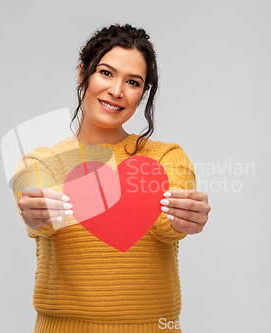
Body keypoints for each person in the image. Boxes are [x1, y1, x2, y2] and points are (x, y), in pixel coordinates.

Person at [13, 23, 211, 333]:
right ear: (82, 74)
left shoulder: (166, 157)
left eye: (132, 82)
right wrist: (36, 213)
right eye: (106, 73)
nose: (117, 91)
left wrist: (182, 218)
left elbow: (166, 224)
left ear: (142, 93)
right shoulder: (40, 162)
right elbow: (37, 207)